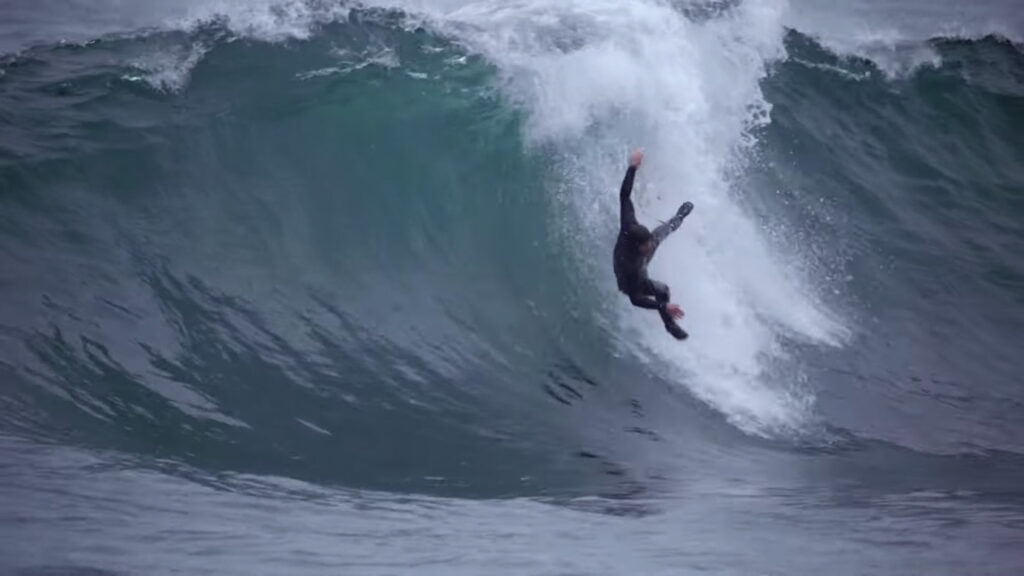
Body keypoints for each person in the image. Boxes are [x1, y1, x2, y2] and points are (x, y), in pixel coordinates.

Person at [612, 149, 694, 340]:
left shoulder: (629, 224)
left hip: (640, 259)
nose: (649, 245)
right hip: (631, 280)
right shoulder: (629, 265)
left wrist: (632, 167)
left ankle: (679, 217)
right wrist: (662, 306)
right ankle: (669, 324)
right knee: (662, 291)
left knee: (661, 233)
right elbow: (635, 299)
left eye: (647, 242)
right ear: (636, 246)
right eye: (645, 244)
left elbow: (624, 196)